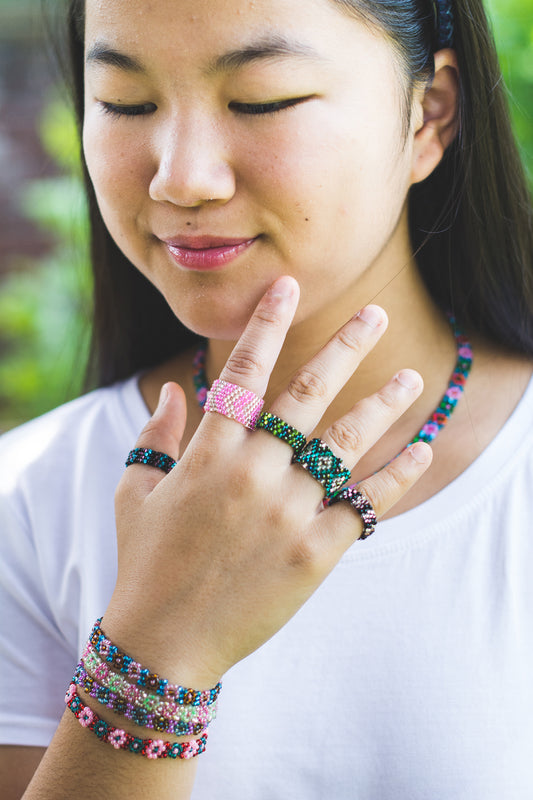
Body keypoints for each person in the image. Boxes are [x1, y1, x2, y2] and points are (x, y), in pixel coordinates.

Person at [1, 0, 532, 797]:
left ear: (429, 114)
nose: (181, 176)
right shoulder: (28, 503)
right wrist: (156, 648)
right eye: (125, 103)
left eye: (261, 99)